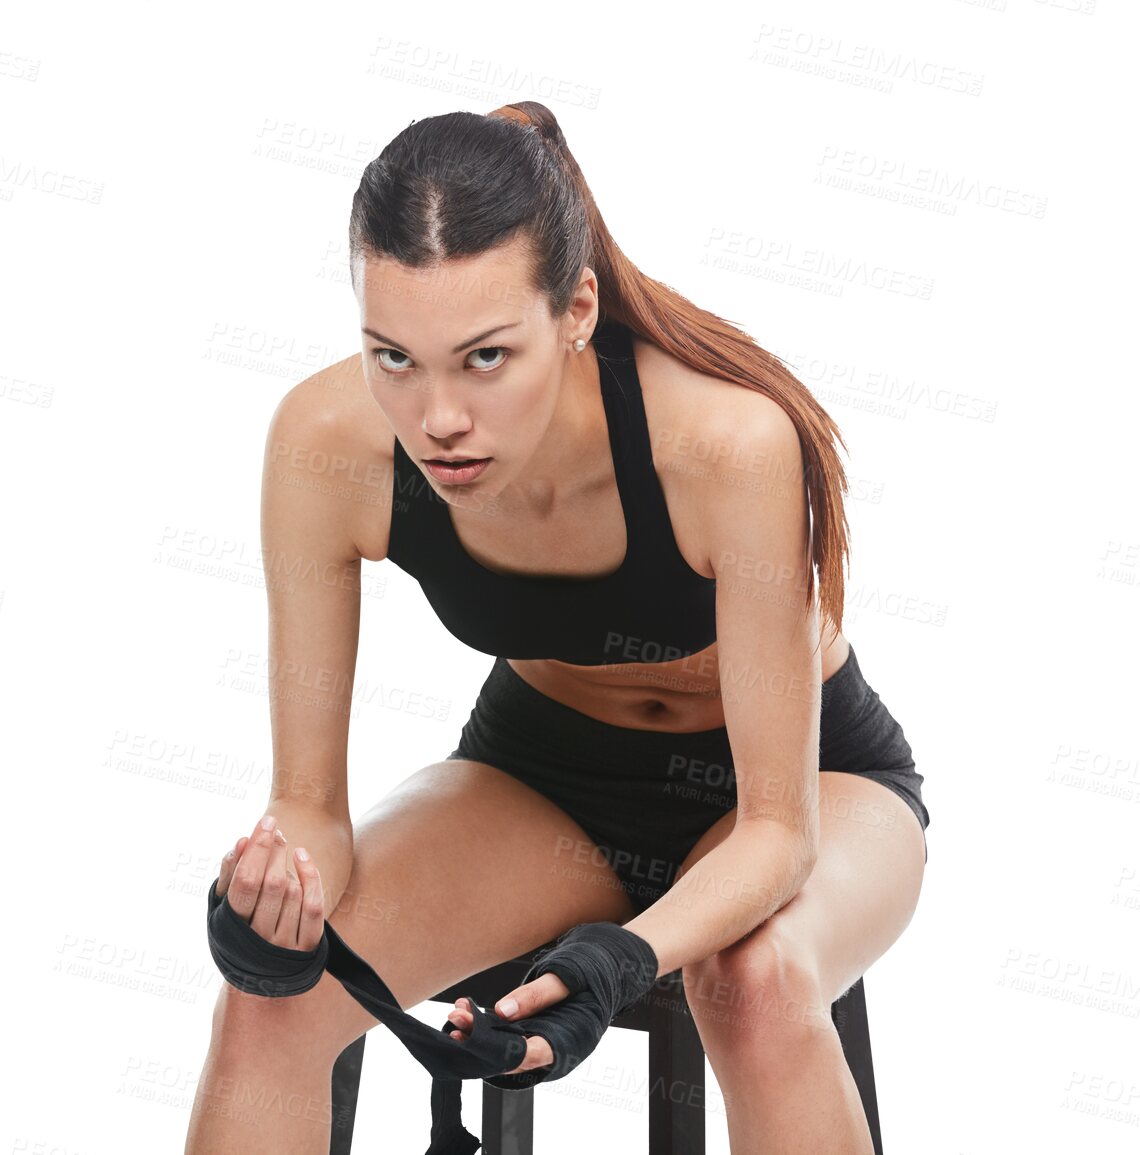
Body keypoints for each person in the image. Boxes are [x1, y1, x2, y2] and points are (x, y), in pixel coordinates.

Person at [186, 101, 929, 1155]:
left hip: (809, 782)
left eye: (484, 357)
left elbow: (776, 832)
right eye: (392, 357)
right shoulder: (323, 446)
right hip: (541, 774)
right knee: (275, 997)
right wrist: (271, 900)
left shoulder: (724, 445)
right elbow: (307, 809)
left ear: (575, 309)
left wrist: (619, 960)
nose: (437, 414)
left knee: (750, 984)